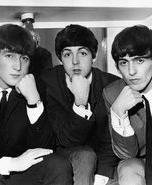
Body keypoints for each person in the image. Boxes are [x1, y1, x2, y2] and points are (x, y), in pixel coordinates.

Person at [0, 24, 72, 185]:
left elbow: (44, 148)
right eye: (9, 56)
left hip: (23, 172)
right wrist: (10, 163)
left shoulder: (35, 88)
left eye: (24, 58)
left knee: (58, 165)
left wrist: (34, 101)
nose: (18, 66)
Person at [41, 24, 120, 185]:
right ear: (59, 58)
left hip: (103, 160)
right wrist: (80, 103)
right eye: (67, 54)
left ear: (94, 56)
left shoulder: (112, 85)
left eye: (83, 53)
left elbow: (110, 141)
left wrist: (100, 178)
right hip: (63, 156)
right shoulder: (47, 83)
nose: (75, 61)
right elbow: (64, 139)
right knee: (85, 155)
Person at [103, 25, 152, 185]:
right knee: (128, 174)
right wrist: (118, 111)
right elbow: (126, 154)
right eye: (123, 63)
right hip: (136, 163)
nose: (131, 71)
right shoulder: (112, 93)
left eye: (139, 60)